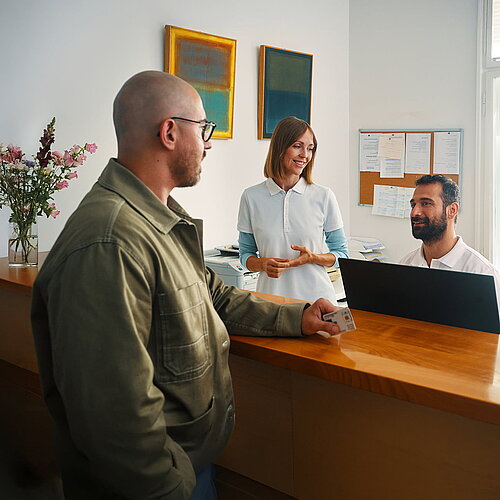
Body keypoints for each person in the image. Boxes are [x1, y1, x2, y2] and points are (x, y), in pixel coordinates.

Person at [30, 71, 341, 500]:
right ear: (170, 132)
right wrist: (172, 485)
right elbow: (113, 419)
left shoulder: (158, 220)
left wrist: (297, 316)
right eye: (204, 129)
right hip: (158, 482)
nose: (209, 143)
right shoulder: (109, 242)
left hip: (188, 464)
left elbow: (213, 295)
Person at [237, 116, 348, 303]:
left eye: (310, 148)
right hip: (271, 302)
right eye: (298, 146)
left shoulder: (323, 195)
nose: (305, 154)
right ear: (280, 147)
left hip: (318, 301)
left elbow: (341, 255)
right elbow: (245, 254)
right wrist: (262, 264)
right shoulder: (251, 197)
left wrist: (312, 258)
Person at [400, 174, 500, 304]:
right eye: (413, 205)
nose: (415, 213)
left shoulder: (483, 273)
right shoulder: (404, 266)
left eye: (426, 203)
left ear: (452, 210)